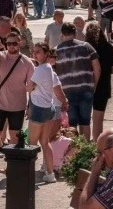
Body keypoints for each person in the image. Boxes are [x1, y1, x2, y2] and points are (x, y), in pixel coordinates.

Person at [0, 30, 34, 177]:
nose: (12, 46)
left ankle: (14, 167)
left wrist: (31, 106)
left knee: (15, 137)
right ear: (5, 44)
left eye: (15, 43)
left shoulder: (27, 62)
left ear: (20, 43)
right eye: (9, 43)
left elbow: (31, 85)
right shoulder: (1, 56)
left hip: (17, 106)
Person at [27, 43, 68, 183]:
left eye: (38, 52)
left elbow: (28, 87)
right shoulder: (49, 68)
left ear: (45, 53)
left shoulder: (40, 69)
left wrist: (27, 84)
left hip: (38, 108)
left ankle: (27, 174)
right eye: (34, 51)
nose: (35, 54)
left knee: (31, 142)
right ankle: (50, 174)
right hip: (48, 107)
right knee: (45, 141)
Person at [56, 23, 101, 140]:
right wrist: (93, 85)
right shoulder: (87, 47)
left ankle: (73, 151)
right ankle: (85, 149)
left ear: (62, 34)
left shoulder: (56, 51)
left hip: (66, 91)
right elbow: (97, 68)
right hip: (86, 88)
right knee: (85, 122)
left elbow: (53, 74)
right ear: (75, 33)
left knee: (71, 124)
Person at [86, 21, 113, 141]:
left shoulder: (85, 47)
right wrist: (104, 72)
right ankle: (97, 143)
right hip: (103, 86)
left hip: (86, 85)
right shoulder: (108, 47)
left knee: (84, 119)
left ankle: (83, 142)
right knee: (98, 118)